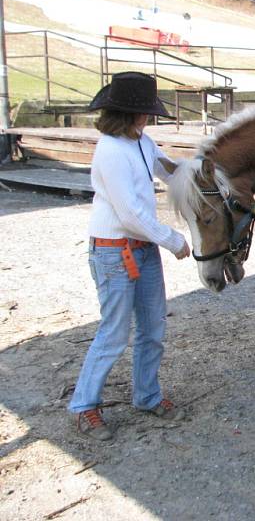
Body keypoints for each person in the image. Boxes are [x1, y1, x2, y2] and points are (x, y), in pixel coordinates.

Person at [68, 72, 191, 441]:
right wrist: (173, 239)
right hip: (113, 251)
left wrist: (201, 168)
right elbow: (130, 215)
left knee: (153, 328)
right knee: (114, 333)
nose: (149, 118)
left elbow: (166, 168)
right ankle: (83, 405)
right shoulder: (110, 151)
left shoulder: (142, 141)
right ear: (127, 113)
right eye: (144, 113)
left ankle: (147, 395)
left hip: (142, 250)